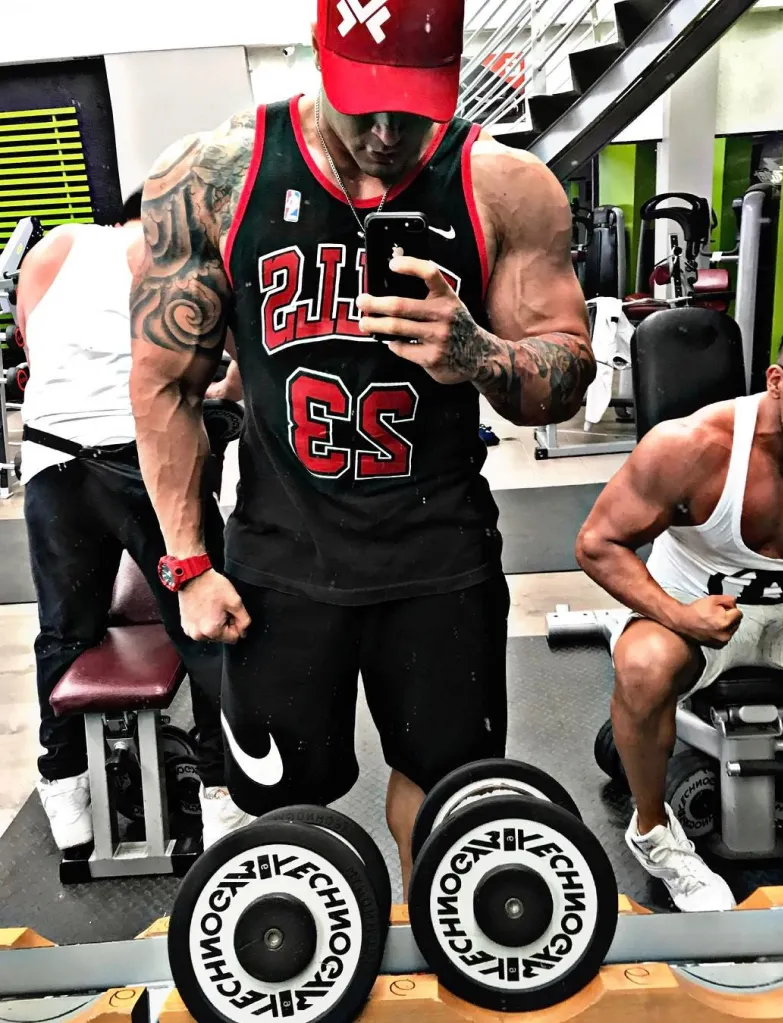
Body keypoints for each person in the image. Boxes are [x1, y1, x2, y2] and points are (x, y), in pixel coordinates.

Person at [129, 0, 594, 895]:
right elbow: (165, 384)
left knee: (449, 793)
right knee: (283, 804)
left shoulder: (504, 185)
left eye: (411, 107)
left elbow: (568, 367)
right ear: (318, 53)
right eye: (363, 104)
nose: (385, 133)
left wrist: (480, 353)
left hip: (440, 554)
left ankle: (430, 934)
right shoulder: (215, 174)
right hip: (281, 558)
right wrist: (188, 564)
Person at [15, 189, 253, 852]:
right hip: (141, 456)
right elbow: (226, 358)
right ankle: (221, 794)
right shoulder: (170, 250)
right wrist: (224, 394)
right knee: (203, 623)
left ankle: (65, 790)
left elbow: (33, 347)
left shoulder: (53, 246)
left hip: (52, 460)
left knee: (64, 630)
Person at [576, 306, 783, 913]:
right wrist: (677, 616)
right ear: (777, 381)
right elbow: (599, 543)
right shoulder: (692, 447)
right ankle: (655, 834)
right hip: (689, 610)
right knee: (643, 668)